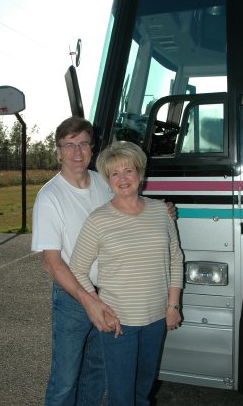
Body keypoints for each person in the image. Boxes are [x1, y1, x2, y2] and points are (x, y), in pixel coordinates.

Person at [31, 117, 176, 406]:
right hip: (74, 297)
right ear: (58, 152)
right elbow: (52, 263)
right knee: (65, 378)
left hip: (110, 294)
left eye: (83, 143)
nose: (77, 152)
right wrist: (89, 300)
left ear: (92, 148)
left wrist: (163, 209)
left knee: (97, 373)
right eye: (68, 145)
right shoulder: (50, 196)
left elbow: (128, 205)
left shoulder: (102, 181)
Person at [69, 140, 183, 406]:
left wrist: (172, 306)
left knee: (142, 393)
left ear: (140, 174)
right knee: (121, 398)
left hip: (156, 320)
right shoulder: (98, 220)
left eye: (128, 170)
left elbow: (175, 258)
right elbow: (77, 268)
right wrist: (97, 307)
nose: (123, 178)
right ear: (108, 181)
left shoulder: (160, 211)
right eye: (114, 173)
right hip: (119, 324)